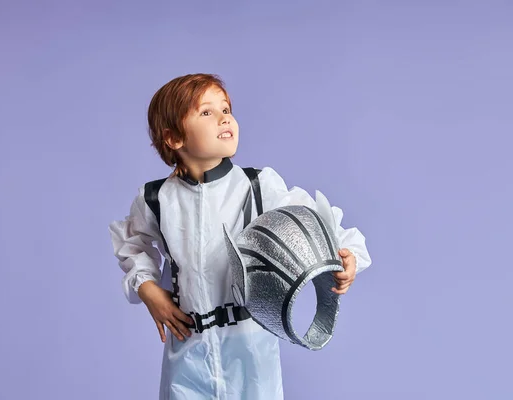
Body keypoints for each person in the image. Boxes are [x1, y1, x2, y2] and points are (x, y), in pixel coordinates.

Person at [108, 73, 372, 400]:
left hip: (250, 349)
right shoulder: (155, 200)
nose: (225, 117)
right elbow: (132, 245)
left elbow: (316, 220)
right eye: (207, 112)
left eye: (227, 109)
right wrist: (148, 289)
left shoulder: (258, 186)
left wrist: (347, 254)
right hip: (188, 350)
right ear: (174, 138)